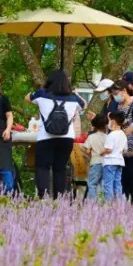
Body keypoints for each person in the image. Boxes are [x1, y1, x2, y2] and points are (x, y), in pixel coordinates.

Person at [26, 70, 86, 199]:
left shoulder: (42, 94)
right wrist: (76, 93)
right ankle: (59, 200)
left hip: (45, 137)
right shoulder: (74, 98)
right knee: (60, 168)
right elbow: (84, 105)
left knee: (42, 167)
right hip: (66, 138)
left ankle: (44, 198)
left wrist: (41, 89)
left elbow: (27, 98)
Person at [112, 80, 133, 204]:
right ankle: (125, 201)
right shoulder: (118, 107)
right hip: (121, 149)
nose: (115, 96)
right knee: (124, 176)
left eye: (116, 93)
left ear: (124, 91)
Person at [82, 112, 109, 202]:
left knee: (92, 184)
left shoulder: (92, 137)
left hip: (96, 162)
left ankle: (93, 203)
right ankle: (103, 202)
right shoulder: (108, 137)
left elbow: (85, 149)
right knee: (103, 183)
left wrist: (88, 154)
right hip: (106, 163)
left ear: (95, 125)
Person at [102, 111, 127, 201]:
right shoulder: (123, 134)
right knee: (118, 183)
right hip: (120, 161)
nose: (109, 123)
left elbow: (108, 149)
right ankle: (119, 204)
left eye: (109, 120)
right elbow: (125, 150)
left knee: (108, 184)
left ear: (114, 121)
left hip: (110, 161)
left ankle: (109, 204)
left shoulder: (111, 135)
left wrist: (101, 152)